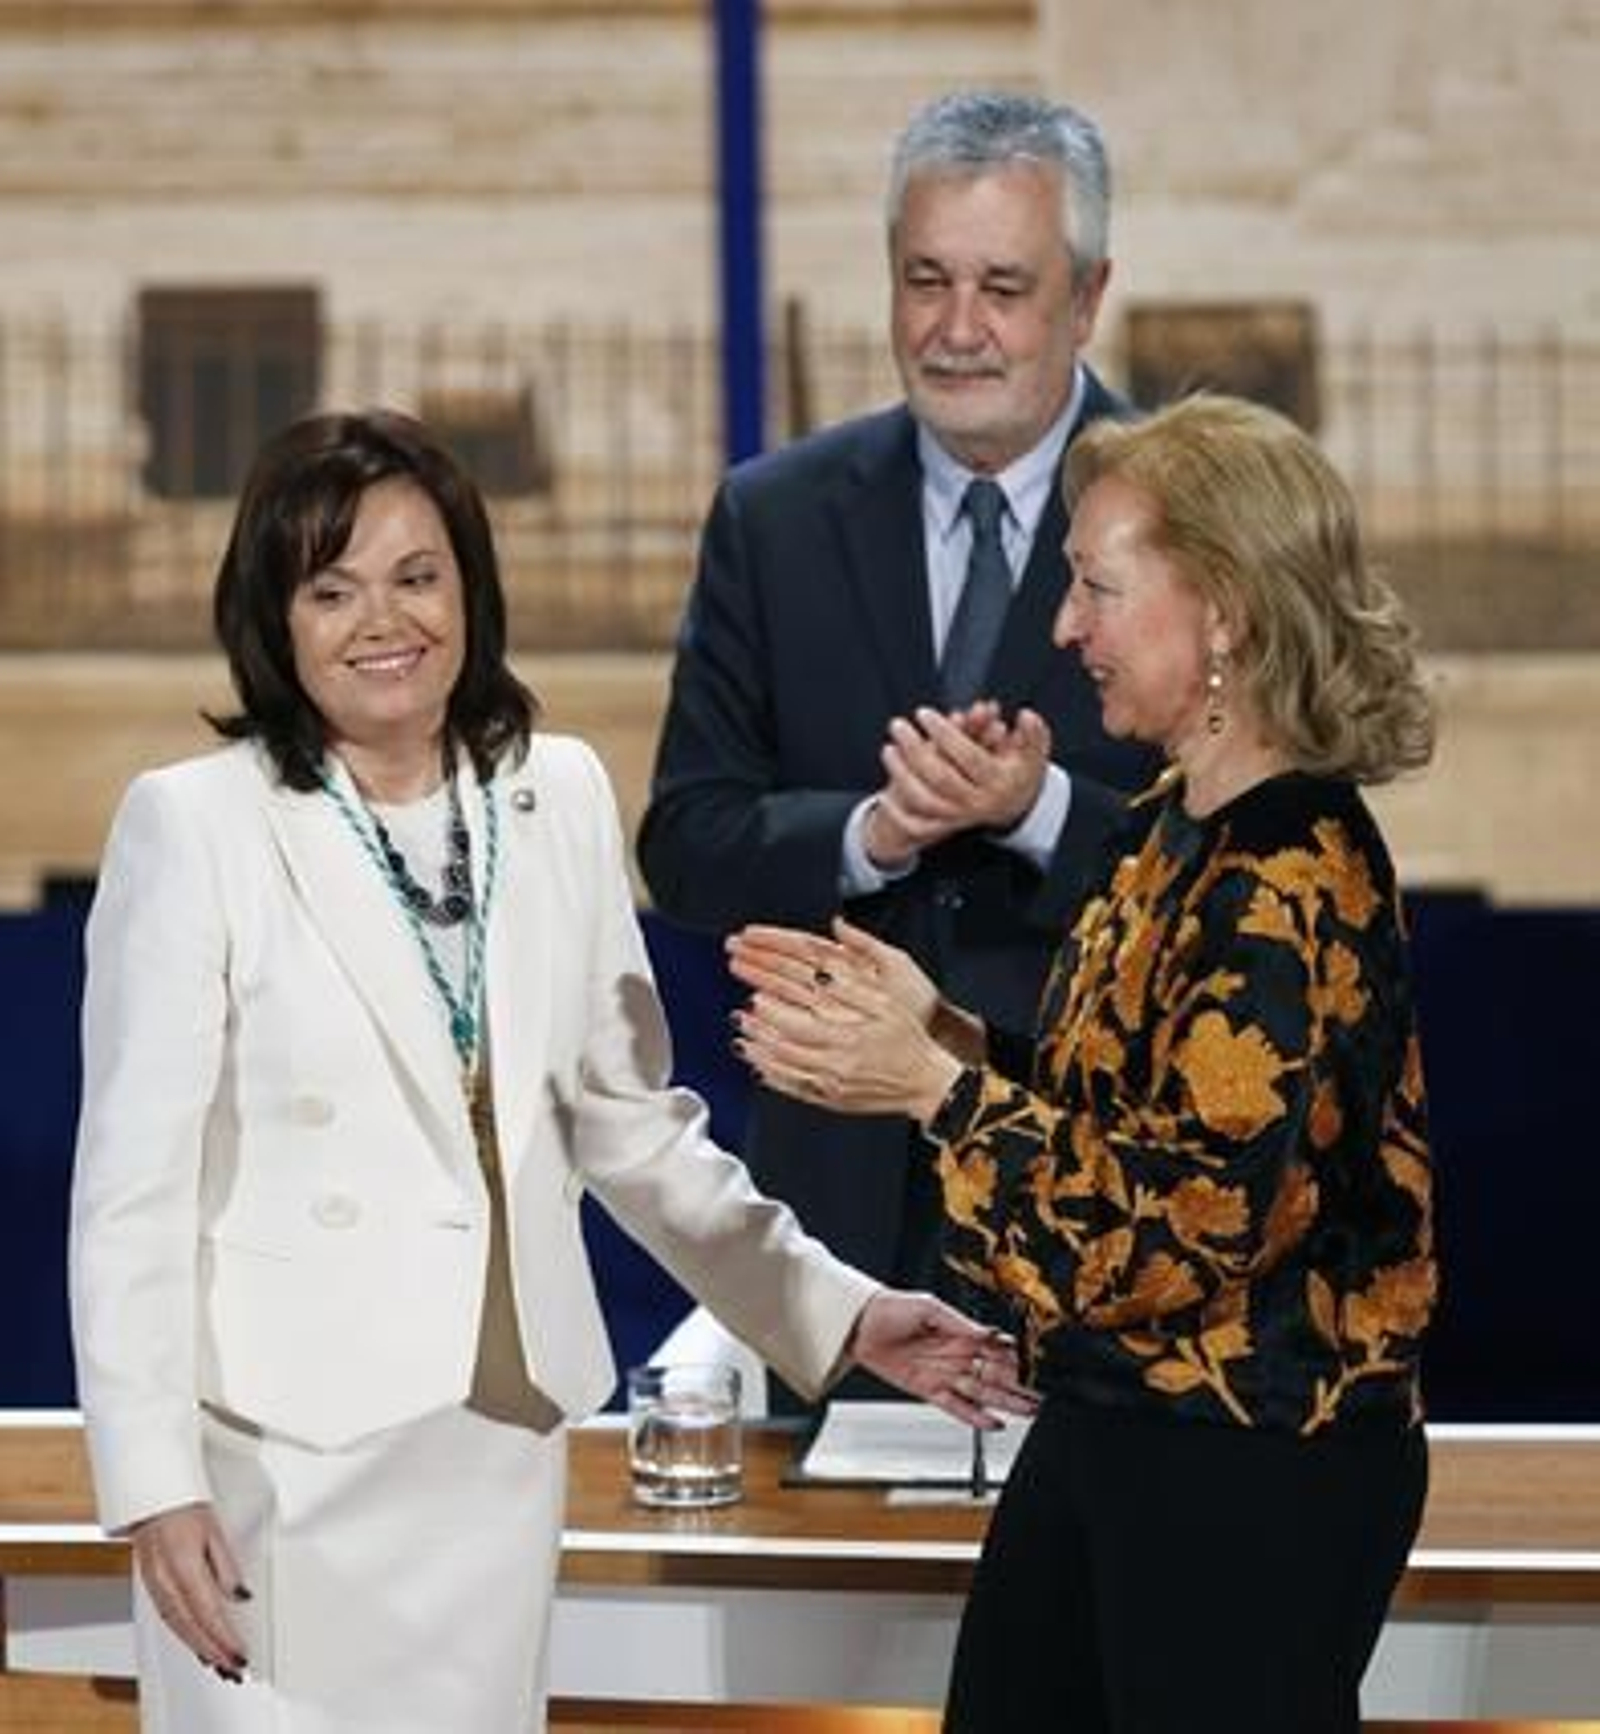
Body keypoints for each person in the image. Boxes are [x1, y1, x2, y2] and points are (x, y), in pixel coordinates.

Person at [67, 408, 1033, 1734]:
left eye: (417, 575)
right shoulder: (195, 824)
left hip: (490, 1452)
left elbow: (632, 1131)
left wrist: (840, 1311)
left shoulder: (555, 793)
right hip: (276, 1473)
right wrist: (150, 1480)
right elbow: (129, 1190)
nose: (382, 619)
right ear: (273, 618)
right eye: (331, 587)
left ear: (470, 585)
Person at [729, 394, 1439, 1733]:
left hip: (1248, 1472)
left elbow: (1189, 1222)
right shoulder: (1181, 822)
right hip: (1123, 1432)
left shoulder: (1292, 870)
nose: (1064, 627)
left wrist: (937, 1092)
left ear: (1223, 608)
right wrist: (935, 1030)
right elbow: (1112, 1107)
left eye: (1095, 586)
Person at [638, 91, 1158, 1395]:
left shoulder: (1200, 513)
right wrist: (872, 832)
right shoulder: (775, 517)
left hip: (1114, 1211)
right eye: (925, 279)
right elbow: (688, 848)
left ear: (1087, 297)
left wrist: (1037, 806)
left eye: (1002, 285)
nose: (957, 327)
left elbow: (1261, 857)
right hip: (844, 1233)